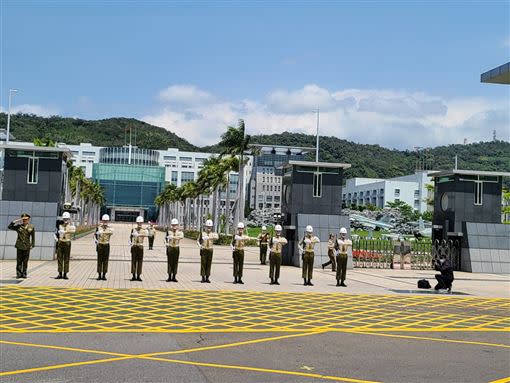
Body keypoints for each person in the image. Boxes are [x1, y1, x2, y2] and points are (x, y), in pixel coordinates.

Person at [8, 213, 35, 279]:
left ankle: (24, 273)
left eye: (25, 219)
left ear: (28, 219)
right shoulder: (19, 226)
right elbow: (9, 227)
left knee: (25, 261)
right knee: (19, 261)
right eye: (23, 219)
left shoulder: (31, 227)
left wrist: (32, 244)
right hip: (19, 246)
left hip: (27, 246)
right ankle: (18, 274)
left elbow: (33, 237)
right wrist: (15, 221)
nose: (24, 221)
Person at [55, 212, 76, 280]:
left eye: (67, 219)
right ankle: (60, 273)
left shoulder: (71, 226)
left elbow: (73, 231)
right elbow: (57, 231)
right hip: (60, 242)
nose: (65, 220)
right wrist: (56, 237)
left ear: (69, 219)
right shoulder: (60, 225)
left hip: (67, 242)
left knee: (66, 258)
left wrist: (65, 232)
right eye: (64, 219)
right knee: (59, 258)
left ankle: (65, 274)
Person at [94, 214, 114, 281]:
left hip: (106, 245)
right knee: (99, 260)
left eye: (106, 220)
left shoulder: (110, 228)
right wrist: (96, 241)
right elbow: (95, 235)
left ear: (108, 221)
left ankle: (104, 275)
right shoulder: (98, 228)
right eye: (104, 220)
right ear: (102, 220)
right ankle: (99, 275)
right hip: (100, 245)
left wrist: (103, 231)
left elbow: (111, 232)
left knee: (105, 260)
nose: (105, 221)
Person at [165, 218, 184, 282]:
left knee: (175, 262)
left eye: (175, 225)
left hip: (176, 247)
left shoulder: (179, 232)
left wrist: (173, 237)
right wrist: (166, 243)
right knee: (170, 262)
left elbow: (181, 237)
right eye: (173, 225)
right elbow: (165, 239)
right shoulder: (168, 232)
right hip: (170, 247)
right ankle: (169, 276)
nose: (174, 226)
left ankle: (174, 276)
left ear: (177, 225)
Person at [129, 216, 148, 281]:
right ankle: (133, 275)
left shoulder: (144, 230)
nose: (139, 223)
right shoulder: (133, 229)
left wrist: (139, 235)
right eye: (138, 222)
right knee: (133, 261)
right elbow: (130, 237)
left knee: (140, 261)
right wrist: (131, 243)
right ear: (136, 222)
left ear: (142, 223)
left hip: (140, 246)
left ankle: (138, 275)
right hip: (134, 246)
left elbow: (147, 235)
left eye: (140, 222)